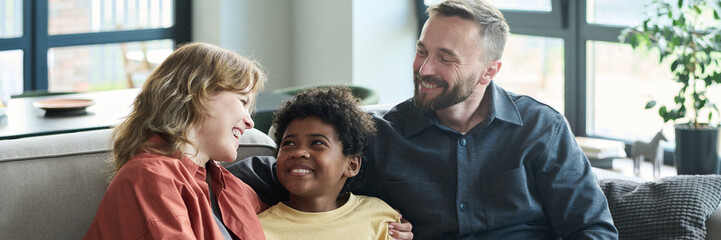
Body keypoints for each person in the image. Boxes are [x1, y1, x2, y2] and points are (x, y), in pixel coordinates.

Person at [227, 0, 618, 239]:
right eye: (421, 51)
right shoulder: (381, 135)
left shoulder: (541, 128)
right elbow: (297, 169)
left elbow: (592, 229)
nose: (424, 68)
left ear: (488, 72)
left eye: (446, 59)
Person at [84, 42, 268, 239]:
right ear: (199, 93)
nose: (250, 122)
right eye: (243, 101)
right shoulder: (149, 176)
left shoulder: (226, 184)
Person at [258, 87, 399, 240]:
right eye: (289, 143)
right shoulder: (258, 229)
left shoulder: (378, 217)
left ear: (351, 165)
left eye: (317, 142)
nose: (298, 152)